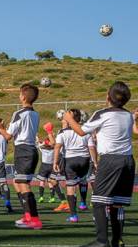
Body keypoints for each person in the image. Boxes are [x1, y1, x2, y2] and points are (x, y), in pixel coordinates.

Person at [65, 82, 134, 247]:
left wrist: (69, 119)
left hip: (110, 160)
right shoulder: (128, 115)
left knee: (98, 202)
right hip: (128, 160)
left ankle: (101, 241)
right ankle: (117, 240)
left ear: (107, 97)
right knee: (117, 203)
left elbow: (81, 131)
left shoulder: (102, 113)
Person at [0, 84, 42, 230]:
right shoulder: (35, 114)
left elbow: (8, 136)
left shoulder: (19, 113)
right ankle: (28, 216)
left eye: (20, 93)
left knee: (24, 185)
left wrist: (0, 128)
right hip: (31, 150)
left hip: (23, 151)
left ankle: (34, 219)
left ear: (23, 97)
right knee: (18, 182)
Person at [54, 109, 97, 223]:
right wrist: (95, 162)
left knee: (70, 187)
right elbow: (91, 148)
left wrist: (55, 162)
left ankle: (74, 216)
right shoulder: (85, 131)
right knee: (84, 181)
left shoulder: (62, 132)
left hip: (70, 161)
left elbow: (57, 147)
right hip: (84, 161)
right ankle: (84, 204)